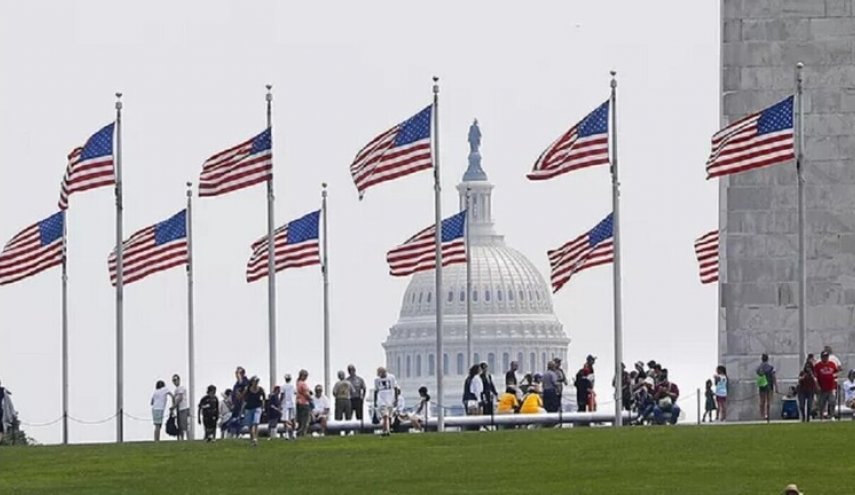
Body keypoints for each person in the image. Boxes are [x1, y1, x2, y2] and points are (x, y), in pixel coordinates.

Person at [814, 350, 839, 420]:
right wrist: (817, 386)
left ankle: (832, 415)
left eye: (826, 356)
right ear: (821, 357)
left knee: (832, 401)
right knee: (822, 403)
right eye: (824, 357)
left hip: (831, 388)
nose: (825, 358)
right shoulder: (818, 366)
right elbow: (815, 377)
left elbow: (835, 374)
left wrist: (835, 384)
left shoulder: (832, 364)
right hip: (822, 388)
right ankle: (821, 416)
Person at [242, 376, 266, 446]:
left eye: (257, 382)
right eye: (255, 381)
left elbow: (263, 398)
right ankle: (252, 438)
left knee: (256, 423)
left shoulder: (260, 389)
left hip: (257, 408)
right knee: (250, 425)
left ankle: (255, 438)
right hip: (248, 408)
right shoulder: (248, 389)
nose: (256, 383)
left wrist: (263, 407)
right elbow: (243, 398)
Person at [373, 367, 397, 437]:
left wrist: (395, 399)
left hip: (390, 399)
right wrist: (375, 402)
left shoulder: (391, 377)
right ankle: (385, 431)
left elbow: (395, 388)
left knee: (389, 416)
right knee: (385, 416)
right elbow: (376, 391)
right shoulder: (377, 380)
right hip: (381, 400)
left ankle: (387, 431)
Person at [756, 354, 777, 420]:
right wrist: (776, 386)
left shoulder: (759, 368)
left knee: (762, 400)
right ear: (767, 359)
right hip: (769, 385)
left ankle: (762, 415)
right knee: (768, 401)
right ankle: (767, 414)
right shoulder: (770, 367)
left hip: (762, 385)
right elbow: (773, 377)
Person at [171, 374, 190, 440]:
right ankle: (181, 438)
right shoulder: (176, 389)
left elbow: (180, 398)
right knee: (179, 425)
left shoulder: (181, 388)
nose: (175, 382)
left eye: (176, 380)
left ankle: (188, 438)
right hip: (179, 409)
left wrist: (174, 406)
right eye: (174, 380)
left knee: (184, 425)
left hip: (183, 408)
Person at [295, 370, 312, 438]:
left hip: (298, 403)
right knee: (305, 420)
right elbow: (306, 394)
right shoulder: (303, 384)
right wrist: (310, 399)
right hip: (304, 403)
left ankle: (299, 432)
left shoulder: (297, 383)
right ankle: (302, 433)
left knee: (300, 419)